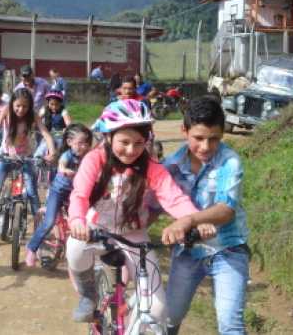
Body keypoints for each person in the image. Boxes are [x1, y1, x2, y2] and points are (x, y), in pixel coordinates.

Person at [66, 99, 218, 324]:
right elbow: (79, 194)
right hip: (96, 228)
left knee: (157, 309)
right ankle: (89, 296)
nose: (131, 150)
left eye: (139, 143)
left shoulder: (151, 167)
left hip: (133, 234)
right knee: (75, 248)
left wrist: (194, 220)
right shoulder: (94, 159)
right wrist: (78, 220)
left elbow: (174, 198)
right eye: (124, 142)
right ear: (109, 137)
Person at [163, 97, 249, 335]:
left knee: (230, 324)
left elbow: (226, 209)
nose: (205, 146)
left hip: (228, 250)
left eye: (214, 139)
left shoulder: (229, 161)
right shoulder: (170, 164)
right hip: (187, 251)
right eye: (198, 138)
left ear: (222, 135)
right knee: (169, 317)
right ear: (184, 130)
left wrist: (189, 220)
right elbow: (154, 200)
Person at [0, 88, 57, 244]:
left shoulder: (32, 115)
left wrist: (52, 153)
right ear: (12, 104)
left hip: (26, 158)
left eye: (25, 106)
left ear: (29, 106)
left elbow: (46, 134)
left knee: (33, 194)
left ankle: (40, 230)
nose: (21, 109)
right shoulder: (6, 111)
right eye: (18, 106)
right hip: (5, 157)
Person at [26, 124, 93, 266]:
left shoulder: (88, 157)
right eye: (79, 143)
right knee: (49, 222)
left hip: (75, 193)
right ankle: (32, 249)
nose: (83, 146)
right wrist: (64, 169)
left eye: (86, 143)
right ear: (69, 142)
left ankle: (80, 253)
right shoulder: (67, 155)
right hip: (58, 191)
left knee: (81, 221)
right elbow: (62, 163)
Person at [34, 91, 72, 159]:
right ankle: (37, 157)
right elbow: (37, 119)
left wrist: (67, 128)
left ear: (60, 103)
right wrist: (34, 125)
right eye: (51, 104)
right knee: (44, 145)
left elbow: (68, 123)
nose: (54, 107)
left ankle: (58, 160)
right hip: (48, 135)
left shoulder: (63, 111)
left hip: (60, 136)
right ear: (48, 103)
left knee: (60, 146)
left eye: (56, 104)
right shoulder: (44, 110)